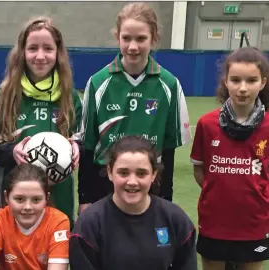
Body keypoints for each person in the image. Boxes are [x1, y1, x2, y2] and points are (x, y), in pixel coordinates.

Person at [77, 2, 192, 214]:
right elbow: (88, 147)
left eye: (141, 39)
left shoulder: (169, 85)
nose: (133, 46)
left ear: (154, 38)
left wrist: (166, 200)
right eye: (126, 38)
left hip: (150, 185)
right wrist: (85, 198)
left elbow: (168, 152)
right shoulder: (97, 83)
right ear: (117, 37)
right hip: (106, 184)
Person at [0, 16, 82, 224]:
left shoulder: (70, 96)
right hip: (15, 196)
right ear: (22, 52)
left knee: (57, 252)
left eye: (48, 49)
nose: (40, 56)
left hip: (59, 196)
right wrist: (11, 152)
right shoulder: (7, 94)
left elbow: (82, 140)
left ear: (58, 53)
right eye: (33, 48)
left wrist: (77, 148)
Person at [190, 47, 269, 270]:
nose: (242, 88)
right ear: (226, 81)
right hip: (215, 221)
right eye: (235, 80)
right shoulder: (207, 124)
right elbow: (200, 171)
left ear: (262, 83)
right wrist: (220, 191)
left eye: (251, 80)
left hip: (254, 222)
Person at [70, 135, 197, 270]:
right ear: (110, 172)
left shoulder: (176, 221)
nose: (132, 182)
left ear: (153, 174)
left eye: (141, 173)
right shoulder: (88, 225)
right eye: (123, 173)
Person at [0, 163, 69, 270]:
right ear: (6, 197)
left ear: (46, 198)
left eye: (36, 200)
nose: (27, 207)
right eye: (20, 199)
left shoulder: (58, 222)